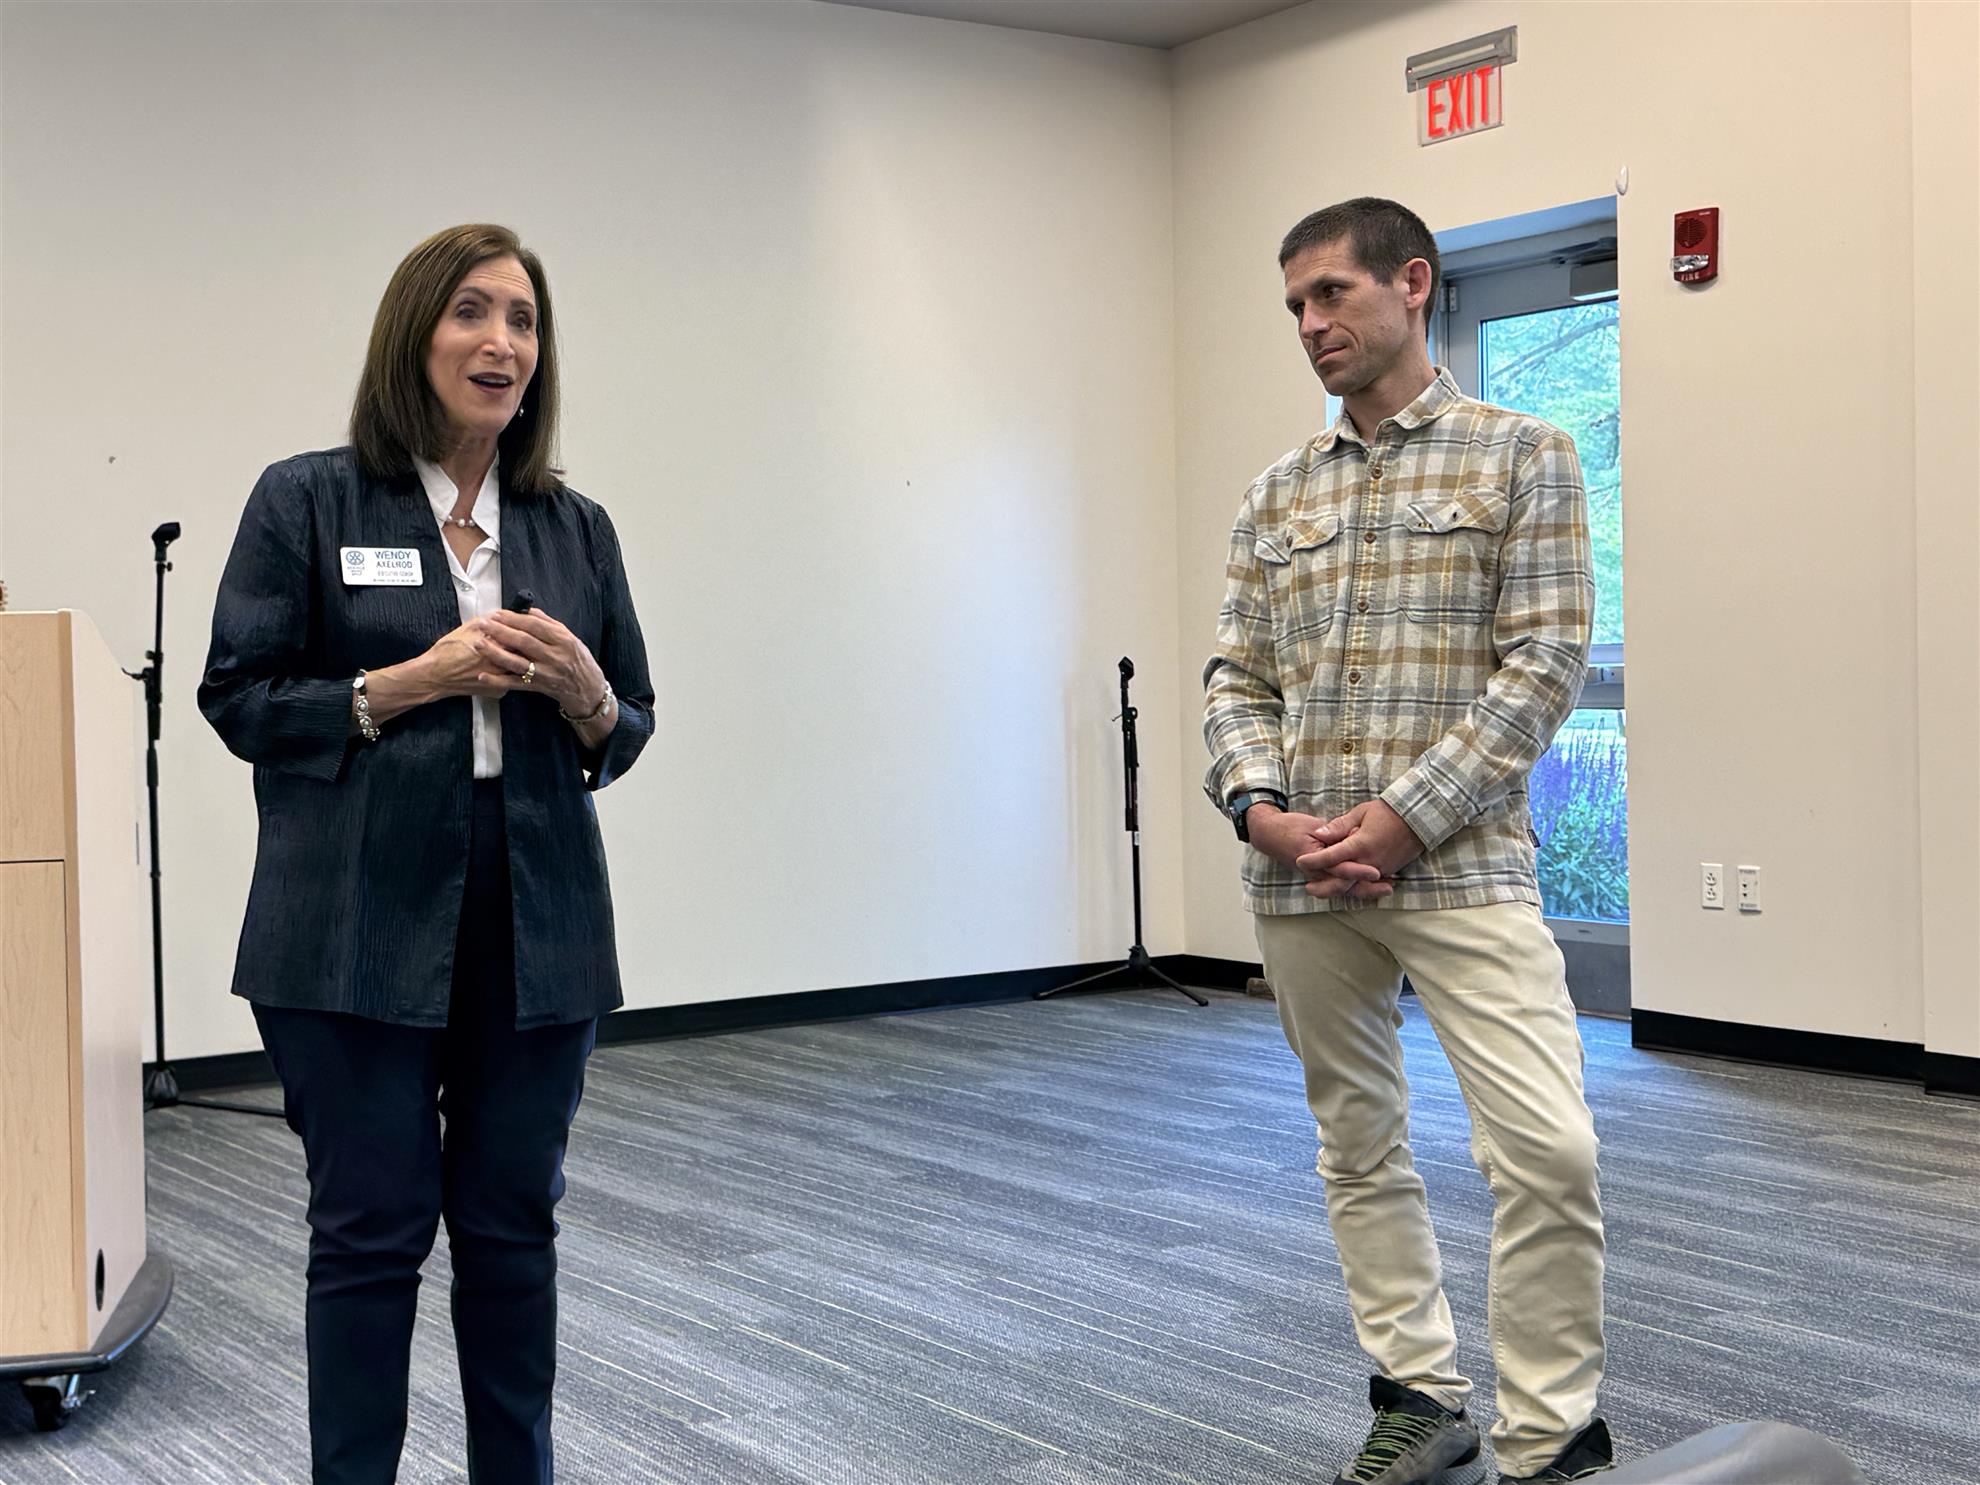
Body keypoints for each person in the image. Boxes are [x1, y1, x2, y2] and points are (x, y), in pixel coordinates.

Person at [199, 223, 654, 1484]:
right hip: (351, 921)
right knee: (370, 1233)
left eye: (523, 319)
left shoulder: (574, 526)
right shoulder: (309, 498)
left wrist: (589, 698)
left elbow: (628, 726)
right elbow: (240, 700)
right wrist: (413, 679)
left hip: (538, 918)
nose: (502, 342)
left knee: (512, 1231)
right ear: (415, 333)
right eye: (471, 312)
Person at [1202, 198, 1611, 1485]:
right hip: (1301, 880)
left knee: (1546, 1150)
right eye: (1295, 306)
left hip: (1463, 866)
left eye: (1331, 293)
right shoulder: (1276, 494)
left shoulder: (1523, 454)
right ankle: (1418, 1399)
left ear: (1413, 283)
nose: (1310, 325)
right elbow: (1236, 678)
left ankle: (1552, 1439)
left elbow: (1545, 662)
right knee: (1358, 1144)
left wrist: (1403, 817)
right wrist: (1259, 809)